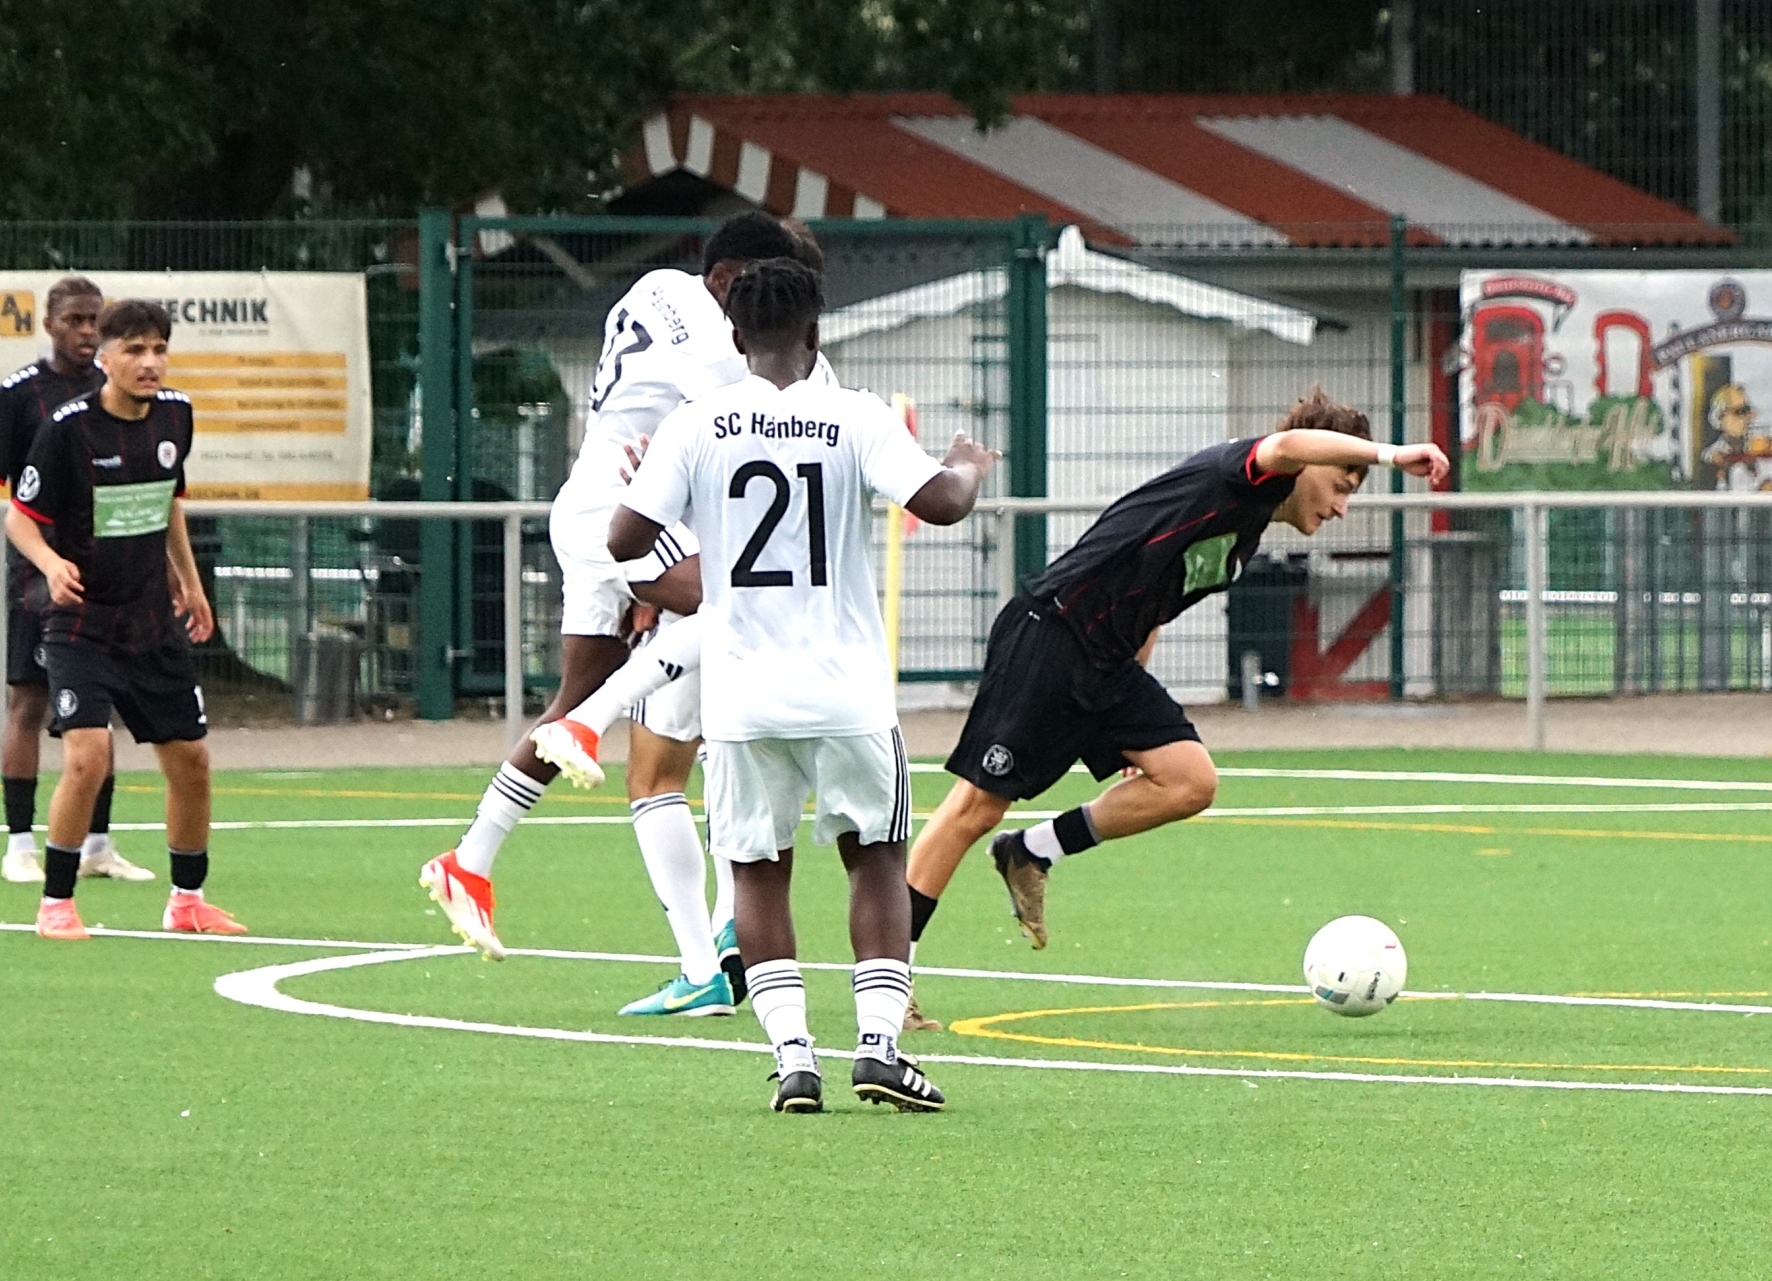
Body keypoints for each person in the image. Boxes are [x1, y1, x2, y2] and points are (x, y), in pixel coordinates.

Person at [898, 391, 1450, 1028]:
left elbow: (1154, 606)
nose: (1342, 507)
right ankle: (891, 980)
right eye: (1342, 486)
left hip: (1109, 662)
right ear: (1309, 463)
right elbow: (1288, 445)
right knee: (975, 807)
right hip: (1054, 634)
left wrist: (1130, 722)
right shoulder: (1240, 474)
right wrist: (1391, 455)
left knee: (1189, 780)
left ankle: (1032, 851)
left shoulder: (1246, 529)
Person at [609, 256, 998, 1112]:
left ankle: (793, 1059)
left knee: (757, 871)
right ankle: (879, 1046)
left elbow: (623, 540)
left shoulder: (695, 424)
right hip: (845, 689)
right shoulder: (853, 414)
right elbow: (941, 502)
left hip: (742, 696)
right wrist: (966, 462)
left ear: (735, 334)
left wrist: (684, 541)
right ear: (816, 332)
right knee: (877, 859)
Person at [422, 212, 821, 1020]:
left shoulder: (659, 287)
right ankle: (714, 927)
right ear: (728, 280)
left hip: (595, 500)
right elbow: (770, 434)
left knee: (603, 716)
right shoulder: (723, 341)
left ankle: (472, 858)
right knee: (733, 607)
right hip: (624, 507)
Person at [2, 300, 242, 941]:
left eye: (158, 349)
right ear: (105, 359)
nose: (150, 362)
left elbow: (168, 502)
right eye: (135, 350)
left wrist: (189, 582)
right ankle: (56, 904)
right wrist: (51, 563)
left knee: (191, 760)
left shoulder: (176, 414)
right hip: (81, 623)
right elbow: (19, 519)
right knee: (89, 756)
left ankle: (187, 901)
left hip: (151, 624)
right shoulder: (68, 429)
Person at [0, 277, 148, 882]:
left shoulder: (113, 390)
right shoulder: (18, 396)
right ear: (49, 325)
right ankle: (18, 845)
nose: (87, 331)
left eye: (95, 321)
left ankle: (97, 847)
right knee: (29, 701)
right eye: (75, 320)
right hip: (38, 573)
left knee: (98, 707)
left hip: (106, 575)